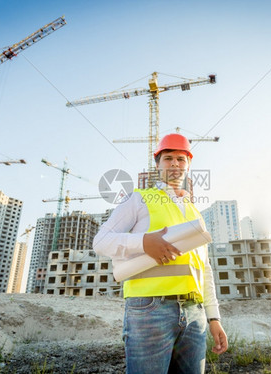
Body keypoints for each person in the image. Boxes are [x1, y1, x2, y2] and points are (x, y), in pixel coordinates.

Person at [93, 133, 228, 373]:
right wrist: (144, 243)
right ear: (157, 165)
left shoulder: (194, 212)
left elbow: (204, 269)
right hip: (150, 310)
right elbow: (101, 241)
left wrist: (213, 317)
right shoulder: (139, 199)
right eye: (168, 158)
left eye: (181, 159)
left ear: (188, 165)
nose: (175, 164)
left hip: (194, 314)